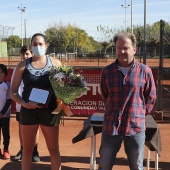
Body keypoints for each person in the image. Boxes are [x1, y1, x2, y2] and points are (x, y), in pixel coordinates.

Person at [98, 32, 156, 170]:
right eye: (119, 48)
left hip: (135, 129)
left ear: (134, 50)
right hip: (111, 127)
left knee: (137, 167)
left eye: (126, 48)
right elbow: (105, 95)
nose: (122, 51)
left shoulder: (145, 71)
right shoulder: (107, 72)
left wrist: (138, 114)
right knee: (104, 166)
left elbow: (151, 97)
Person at [10, 33, 62, 170]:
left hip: (50, 111)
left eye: (40, 44)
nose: (37, 46)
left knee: (54, 151)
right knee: (27, 151)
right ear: (31, 46)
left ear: (46, 46)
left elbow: (63, 87)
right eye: (34, 44)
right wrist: (24, 104)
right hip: (28, 112)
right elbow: (13, 91)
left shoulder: (56, 63)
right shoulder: (23, 65)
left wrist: (65, 97)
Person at [12, 45, 40, 162]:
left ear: (32, 54)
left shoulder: (36, 68)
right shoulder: (17, 69)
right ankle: (22, 149)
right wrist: (21, 103)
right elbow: (14, 89)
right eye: (23, 54)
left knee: (36, 127)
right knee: (21, 127)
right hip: (22, 104)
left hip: (35, 102)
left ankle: (34, 151)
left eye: (27, 54)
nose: (24, 56)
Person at [0, 64, 12, 159]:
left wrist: (2, 113)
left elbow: (9, 100)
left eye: (1, 72)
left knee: (6, 134)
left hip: (5, 115)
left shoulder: (7, 85)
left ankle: (6, 150)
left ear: (5, 74)